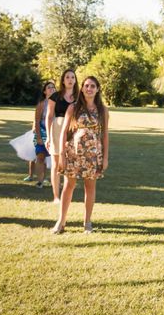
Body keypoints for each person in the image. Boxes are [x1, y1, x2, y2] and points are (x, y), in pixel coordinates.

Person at [51, 76, 109, 234]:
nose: (89, 88)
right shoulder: (73, 107)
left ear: (97, 89)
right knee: (68, 186)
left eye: (92, 86)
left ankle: (87, 223)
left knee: (89, 187)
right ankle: (61, 222)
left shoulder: (103, 110)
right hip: (74, 153)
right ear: (82, 88)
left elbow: (105, 135)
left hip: (93, 154)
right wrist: (62, 154)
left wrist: (105, 158)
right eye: (86, 86)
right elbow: (63, 132)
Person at [45, 69, 78, 203]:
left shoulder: (79, 97)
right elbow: (48, 117)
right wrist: (48, 136)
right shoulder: (55, 96)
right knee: (56, 164)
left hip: (74, 130)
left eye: (72, 77)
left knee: (70, 163)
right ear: (63, 80)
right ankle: (56, 197)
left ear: (75, 80)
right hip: (57, 129)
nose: (70, 80)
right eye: (67, 77)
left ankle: (67, 194)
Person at [33, 81, 56, 188]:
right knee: (40, 156)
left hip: (54, 132)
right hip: (42, 132)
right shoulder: (41, 104)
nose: (51, 89)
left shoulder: (58, 103)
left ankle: (51, 180)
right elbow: (37, 121)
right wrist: (38, 137)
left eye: (53, 87)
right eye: (49, 87)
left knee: (53, 157)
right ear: (44, 91)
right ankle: (40, 181)